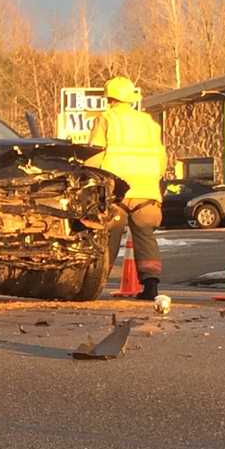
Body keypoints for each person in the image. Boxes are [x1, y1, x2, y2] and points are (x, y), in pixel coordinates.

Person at [87, 76, 167, 300]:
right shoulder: (149, 123)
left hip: (117, 190)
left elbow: (94, 155)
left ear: (109, 98)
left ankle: (96, 285)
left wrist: (87, 178)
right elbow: (162, 159)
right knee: (145, 236)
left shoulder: (106, 119)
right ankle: (151, 286)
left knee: (108, 237)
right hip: (147, 191)